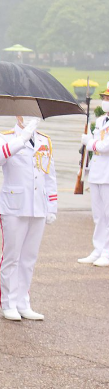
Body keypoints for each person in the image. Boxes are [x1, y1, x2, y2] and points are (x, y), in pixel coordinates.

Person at [0, 117, 57, 320]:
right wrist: (23, 138)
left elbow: (49, 175)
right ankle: (8, 303)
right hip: (14, 206)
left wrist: (52, 205)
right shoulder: (6, 137)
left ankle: (23, 301)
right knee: (12, 257)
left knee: (28, 258)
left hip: (38, 205)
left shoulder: (44, 140)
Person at [79, 89, 109, 267]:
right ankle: (98, 249)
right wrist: (89, 138)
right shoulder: (100, 120)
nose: (105, 101)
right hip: (97, 172)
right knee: (98, 216)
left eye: (108, 98)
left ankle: (107, 251)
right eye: (105, 98)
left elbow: (105, 146)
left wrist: (89, 143)